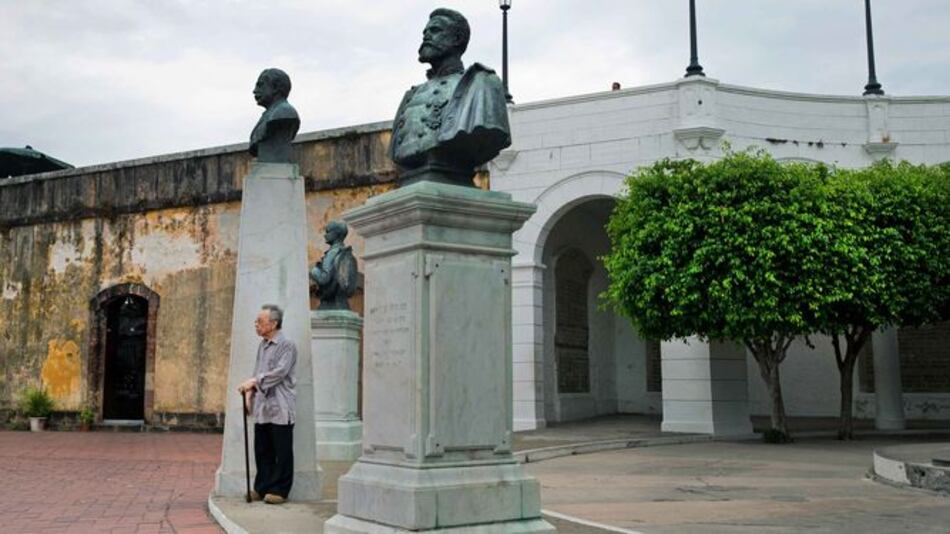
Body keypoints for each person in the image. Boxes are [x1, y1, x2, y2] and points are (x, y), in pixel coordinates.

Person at [389, 8, 510, 186]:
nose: (426, 36)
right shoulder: (411, 96)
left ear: (457, 39)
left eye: (435, 30)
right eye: (425, 32)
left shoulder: (481, 83)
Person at [238, 304, 297, 504]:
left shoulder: (287, 345)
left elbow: (280, 373)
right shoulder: (262, 345)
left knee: (282, 451)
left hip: (281, 406)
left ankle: (280, 490)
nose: (256, 324)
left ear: (273, 324)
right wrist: (249, 394)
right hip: (263, 406)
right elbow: (258, 372)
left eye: (260, 321)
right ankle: (261, 488)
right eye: (256, 321)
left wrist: (254, 382)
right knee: (262, 450)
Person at [249, 68, 300, 163]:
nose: (255, 91)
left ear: (275, 88)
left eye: (260, 85)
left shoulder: (284, 112)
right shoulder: (270, 114)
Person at [309, 220, 358, 310]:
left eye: (328, 232)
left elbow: (324, 279)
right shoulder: (346, 253)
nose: (325, 235)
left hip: (329, 305)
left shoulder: (332, 253)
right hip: (343, 305)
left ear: (336, 234)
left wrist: (313, 270)